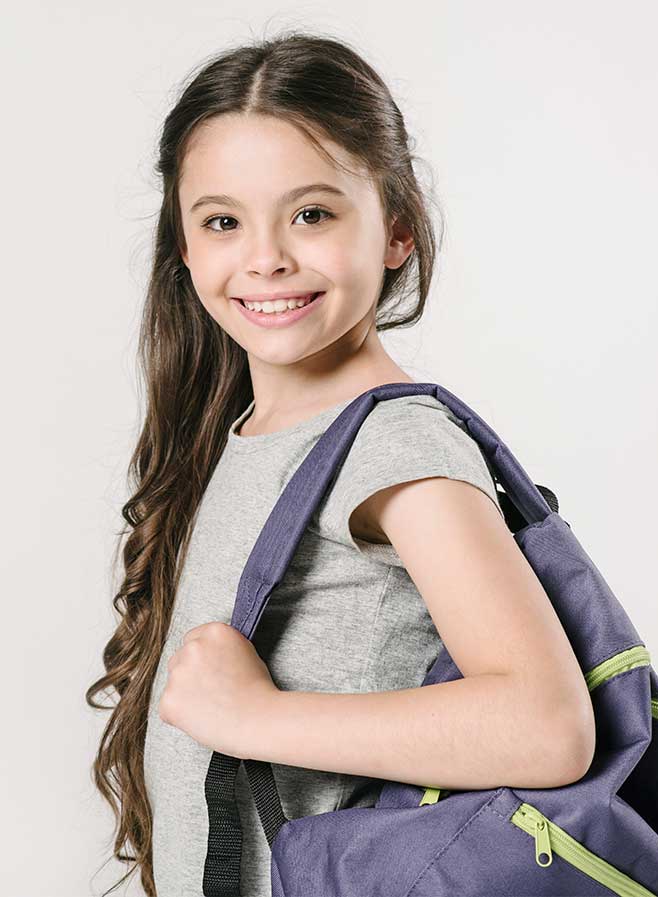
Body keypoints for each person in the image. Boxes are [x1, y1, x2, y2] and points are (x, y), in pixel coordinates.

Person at [86, 30, 595, 897]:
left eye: (312, 214)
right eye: (222, 221)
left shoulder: (394, 446)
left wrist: (258, 716)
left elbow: (548, 726)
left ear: (397, 229)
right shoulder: (250, 431)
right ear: (184, 244)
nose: (266, 257)